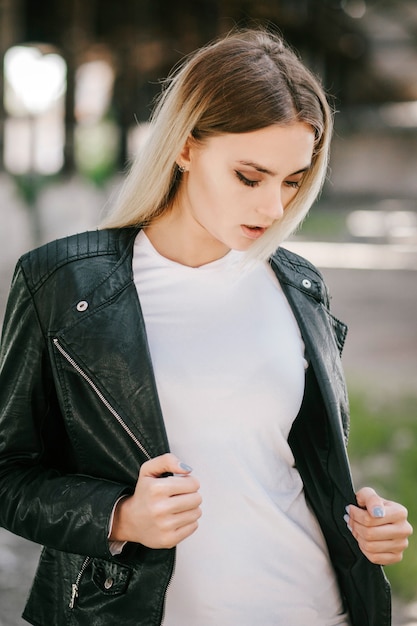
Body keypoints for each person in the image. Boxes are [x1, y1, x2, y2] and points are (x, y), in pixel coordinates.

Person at [0, 28, 412, 626]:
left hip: (312, 606)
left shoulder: (300, 286)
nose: (274, 209)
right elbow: (9, 470)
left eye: (292, 181)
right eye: (250, 176)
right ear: (186, 147)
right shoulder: (63, 283)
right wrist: (118, 516)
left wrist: (367, 526)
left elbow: (299, 465)